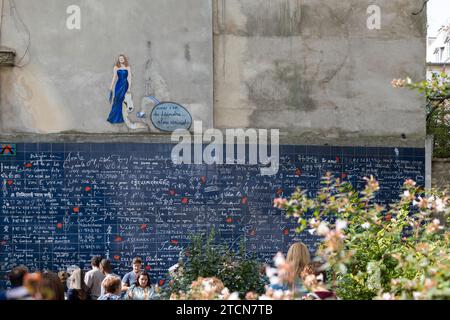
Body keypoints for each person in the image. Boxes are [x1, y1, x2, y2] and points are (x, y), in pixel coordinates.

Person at [108, 54, 132, 124]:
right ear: (118, 59)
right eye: (120, 58)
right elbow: (114, 77)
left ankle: (122, 117)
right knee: (117, 100)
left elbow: (129, 78)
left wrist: (129, 88)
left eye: (122, 58)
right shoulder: (116, 67)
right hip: (118, 85)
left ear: (124, 59)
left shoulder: (128, 67)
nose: (121, 59)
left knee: (123, 101)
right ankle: (114, 118)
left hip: (125, 85)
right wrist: (111, 86)